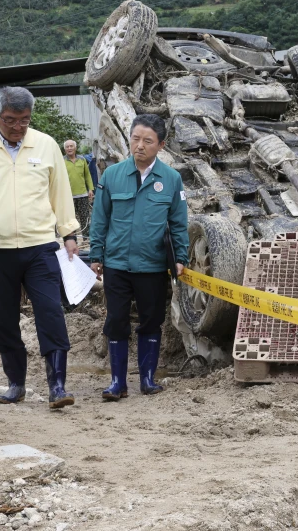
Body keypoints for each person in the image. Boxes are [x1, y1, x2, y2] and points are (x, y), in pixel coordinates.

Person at [0, 87, 80, 410]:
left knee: (50, 313)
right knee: (4, 319)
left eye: (24, 121)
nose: (18, 127)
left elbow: (60, 192)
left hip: (40, 247)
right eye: (10, 120)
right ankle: (16, 382)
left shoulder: (46, 144)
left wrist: (69, 232)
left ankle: (57, 385)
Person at [89, 114, 189, 400]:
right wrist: (96, 253)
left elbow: (179, 223)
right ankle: (117, 383)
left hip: (153, 266)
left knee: (150, 320)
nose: (140, 146)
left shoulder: (171, 179)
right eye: (135, 139)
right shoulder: (112, 175)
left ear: (161, 145)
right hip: (117, 265)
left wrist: (180, 257)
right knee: (117, 320)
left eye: (147, 141)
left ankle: (147, 379)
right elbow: (100, 217)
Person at [64, 139, 94, 235]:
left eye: (71, 146)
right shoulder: (62, 161)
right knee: (70, 219)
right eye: (67, 146)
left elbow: (87, 175)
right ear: (65, 149)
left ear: (75, 148)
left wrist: (91, 189)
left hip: (82, 194)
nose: (69, 148)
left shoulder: (82, 159)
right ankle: (72, 239)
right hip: (68, 195)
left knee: (84, 217)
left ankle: (86, 238)